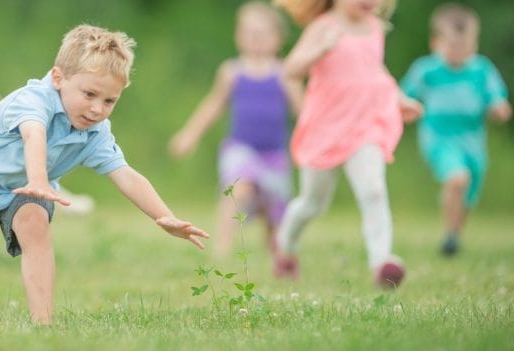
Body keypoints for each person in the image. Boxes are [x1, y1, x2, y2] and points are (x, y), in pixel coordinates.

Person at [0, 24, 210, 325]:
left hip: (28, 191)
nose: (97, 109)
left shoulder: (95, 131)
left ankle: (43, 323)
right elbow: (33, 135)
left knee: (35, 219)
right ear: (58, 78)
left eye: (109, 101)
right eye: (89, 94)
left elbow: (125, 174)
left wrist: (164, 216)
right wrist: (38, 180)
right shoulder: (33, 99)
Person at [272, 0, 422, 288]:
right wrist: (319, 50)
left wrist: (399, 98)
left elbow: (375, 70)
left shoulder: (375, 27)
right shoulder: (323, 28)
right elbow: (290, 71)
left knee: (373, 190)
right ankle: (286, 246)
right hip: (326, 128)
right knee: (313, 203)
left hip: (365, 126)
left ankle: (382, 262)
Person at [168, 1, 299, 258]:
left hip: (274, 154)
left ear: (279, 38)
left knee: (274, 211)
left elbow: (302, 110)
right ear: (238, 36)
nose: (256, 39)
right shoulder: (231, 72)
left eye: (263, 33)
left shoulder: (285, 73)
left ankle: (278, 252)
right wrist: (189, 134)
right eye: (250, 33)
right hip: (240, 148)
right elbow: (213, 106)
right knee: (238, 189)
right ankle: (222, 248)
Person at [400, 3, 511, 257]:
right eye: (452, 46)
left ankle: (454, 236)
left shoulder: (481, 70)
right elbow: (403, 95)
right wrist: (404, 110)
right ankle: (450, 238)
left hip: (473, 142)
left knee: (468, 192)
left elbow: (497, 99)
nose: (458, 52)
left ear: (474, 44)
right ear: (436, 43)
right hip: (438, 138)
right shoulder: (427, 70)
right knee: (457, 178)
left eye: (465, 46)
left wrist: (499, 109)